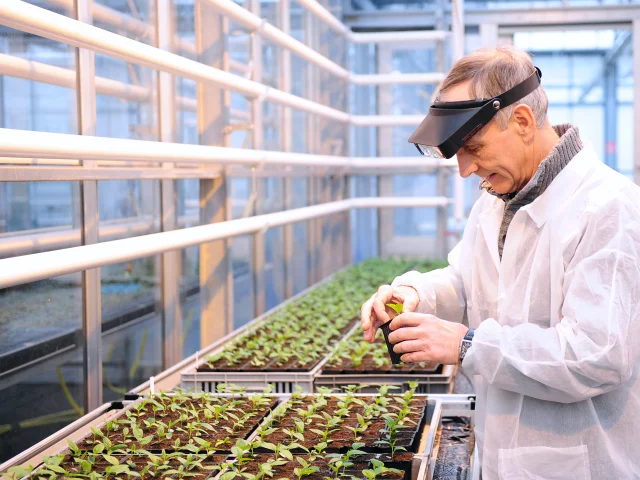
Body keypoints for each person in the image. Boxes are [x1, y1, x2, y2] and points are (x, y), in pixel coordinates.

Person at [360, 45, 640, 480]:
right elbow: (466, 281)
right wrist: (416, 292)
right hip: (501, 455)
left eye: (473, 147)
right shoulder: (496, 200)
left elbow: (597, 355)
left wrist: (469, 346)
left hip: (579, 462)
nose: (465, 170)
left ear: (523, 122)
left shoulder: (608, 207)